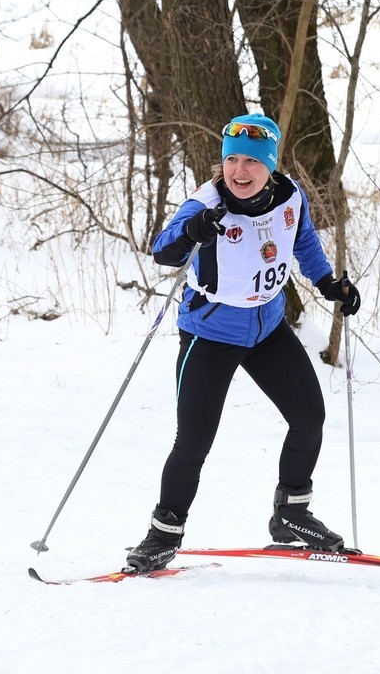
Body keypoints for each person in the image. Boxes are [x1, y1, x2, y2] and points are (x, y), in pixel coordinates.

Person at [126, 113, 361, 572]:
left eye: (251, 161)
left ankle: (291, 513)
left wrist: (328, 284)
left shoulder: (289, 195)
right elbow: (162, 250)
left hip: (268, 328)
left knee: (309, 416)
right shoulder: (207, 204)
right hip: (210, 333)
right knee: (193, 440)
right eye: (231, 159)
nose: (239, 171)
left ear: (269, 165)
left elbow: (303, 242)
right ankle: (162, 535)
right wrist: (193, 233)